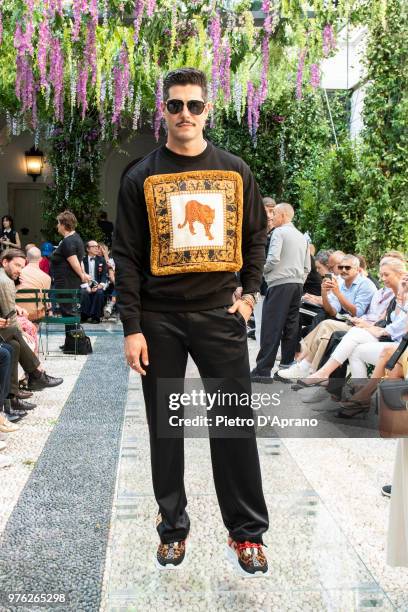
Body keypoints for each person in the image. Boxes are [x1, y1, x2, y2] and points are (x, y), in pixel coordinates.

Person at [113, 67, 269, 575]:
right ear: (164, 111)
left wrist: (249, 295)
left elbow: (255, 239)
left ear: (208, 110)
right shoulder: (141, 175)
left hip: (219, 316)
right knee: (166, 429)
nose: (185, 114)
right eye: (176, 105)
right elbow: (128, 256)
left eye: (194, 105)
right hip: (159, 321)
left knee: (232, 425)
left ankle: (247, 535)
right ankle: (172, 528)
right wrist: (132, 327)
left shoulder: (235, 171)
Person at [251, 202, 310, 381]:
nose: (272, 217)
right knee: (291, 326)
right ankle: (285, 367)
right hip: (297, 285)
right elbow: (307, 267)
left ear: (283, 216)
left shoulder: (279, 232)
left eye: (274, 214)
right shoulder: (302, 237)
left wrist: (261, 272)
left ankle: (263, 370)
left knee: (271, 326)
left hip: (279, 284)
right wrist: (299, 280)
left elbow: (273, 258)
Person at [51, 211, 88, 339]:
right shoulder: (75, 238)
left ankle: (74, 343)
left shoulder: (68, 241)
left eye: (58, 223)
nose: (57, 226)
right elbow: (80, 261)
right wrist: (83, 274)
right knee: (68, 312)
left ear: (63, 224)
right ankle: (70, 342)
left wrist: (83, 276)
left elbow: (74, 262)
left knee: (68, 313)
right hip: (69, 282)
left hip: (66, 283)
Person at [18, 247, 51, 320]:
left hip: (18, 312)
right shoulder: (47, 278)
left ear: (26, 259)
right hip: (36, 314)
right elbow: (45, 299)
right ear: (40, 259)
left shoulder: (18, 273)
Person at [80, 240, 108, 323]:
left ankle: (96, 317)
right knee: (83, 292)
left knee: (99, 293)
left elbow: (104, 275)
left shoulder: (101, 260)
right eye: (94, 247)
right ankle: (85, 315)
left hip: (97, 284)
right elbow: (80, 274)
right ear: (88, 249)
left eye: (97, 246)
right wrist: (87, 286)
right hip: (86, 284)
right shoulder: (82, 260)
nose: (97, 248)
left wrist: (100, 285)